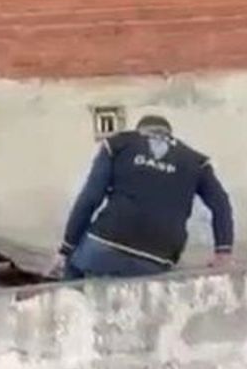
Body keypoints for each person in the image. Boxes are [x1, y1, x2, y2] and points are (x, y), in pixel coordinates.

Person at [51, 115, 235, 279]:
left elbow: (90, 198)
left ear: (140, 130)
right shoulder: (195, 160)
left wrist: (65, 249)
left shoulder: (117, 144)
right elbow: (221, 204)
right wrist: (223, 252)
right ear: (169, 134)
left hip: (106, 243)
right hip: (158, 256)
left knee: (72, 270)